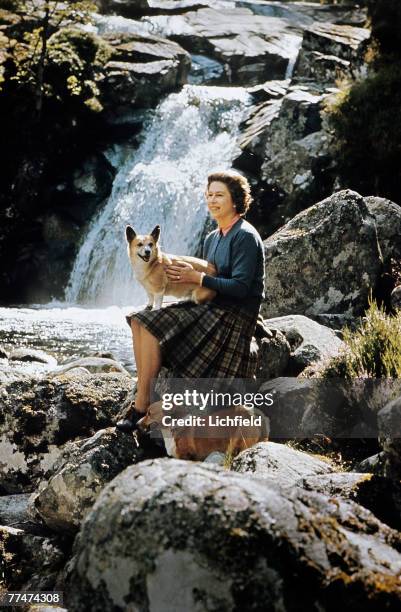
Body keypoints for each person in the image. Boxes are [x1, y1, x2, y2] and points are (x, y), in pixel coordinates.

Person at [116, 170, 265, 432]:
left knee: (151, 325)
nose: (212, 200)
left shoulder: (245, 236)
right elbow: (204, 280)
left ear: (236, 200)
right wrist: (192, 279)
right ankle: (143, 390)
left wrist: (197, 277)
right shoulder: (212, 237)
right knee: (139, 320)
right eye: (209, 195)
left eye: (219, 195)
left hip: (233, 316)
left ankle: (141, 407)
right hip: (209, 306)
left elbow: (241, 288)